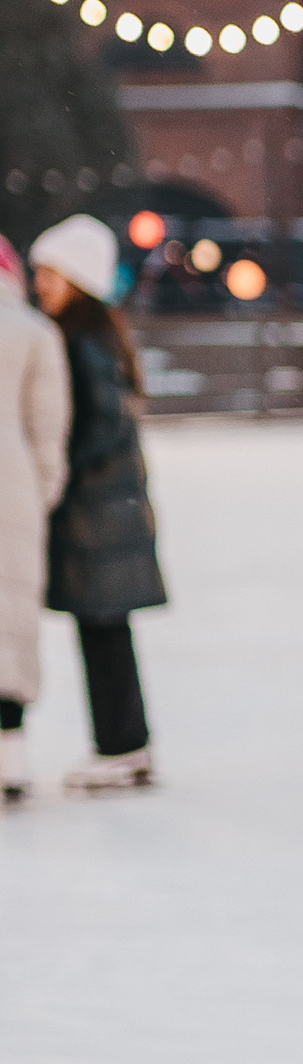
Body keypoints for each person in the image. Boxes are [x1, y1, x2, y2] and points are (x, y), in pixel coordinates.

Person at [29, 213, 166, 791]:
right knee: (107, 630)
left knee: (103, 629)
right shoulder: (97, 332)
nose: (41, 286)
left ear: (77, 280)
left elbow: (99, 423)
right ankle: (125, 744)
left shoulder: (80, 339)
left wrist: (57, 473)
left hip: (95, 512)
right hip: (109, 510)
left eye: (50, 276)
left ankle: (120, 746)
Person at [0, 237, 71, 808]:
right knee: (12, 619)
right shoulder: (33, 331)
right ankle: (12, 755)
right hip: (12, 489)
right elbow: (48, 425)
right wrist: (42, 490)